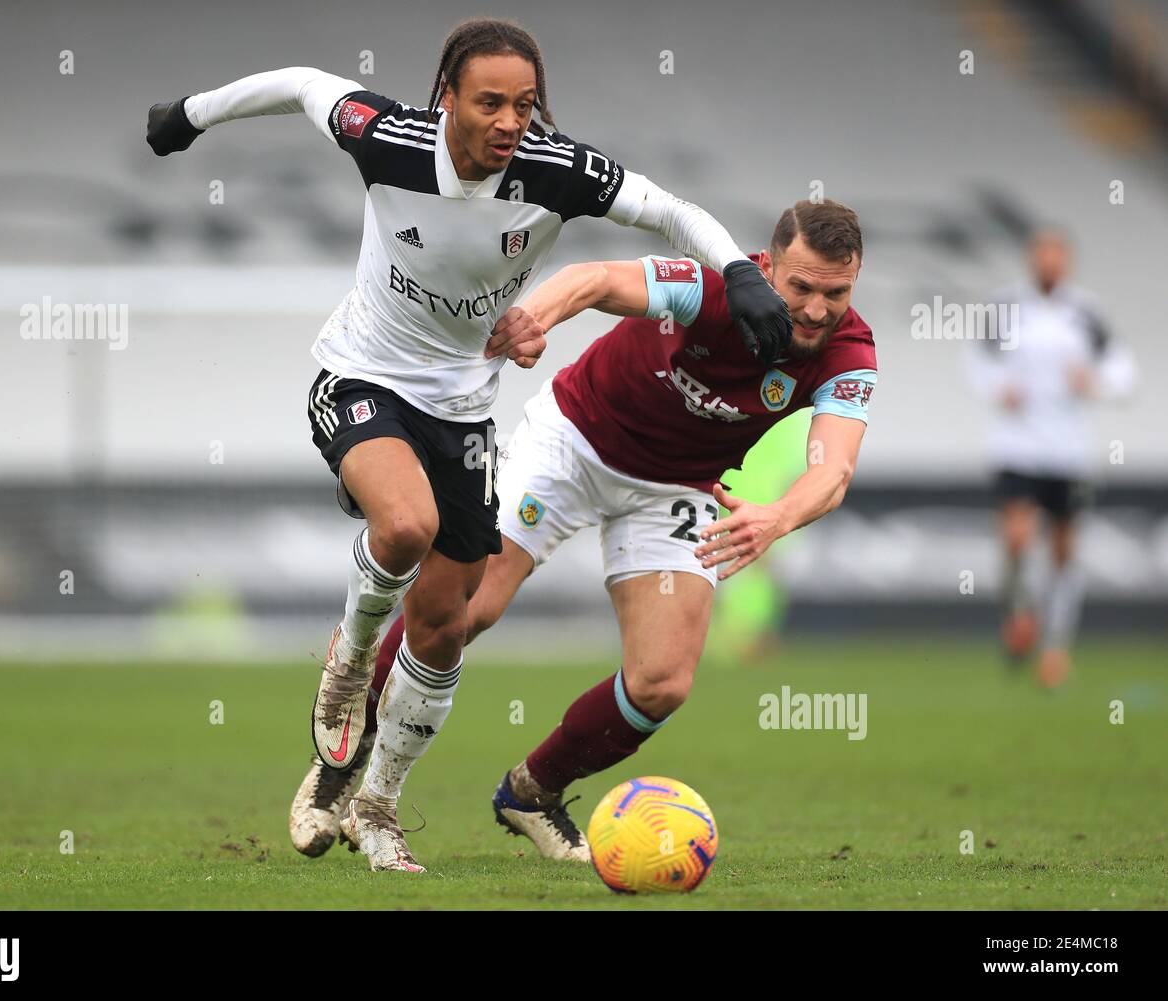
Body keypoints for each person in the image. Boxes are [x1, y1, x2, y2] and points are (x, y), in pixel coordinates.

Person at [146, 17, 792, 872]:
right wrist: (190, 114)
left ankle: (375, 804)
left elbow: (667, 210)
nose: (511, 120)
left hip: (461, 415)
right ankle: (346, 663)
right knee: (405, 527)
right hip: (361, 378)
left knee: (447, 626)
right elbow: (303, 81)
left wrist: (739, 272)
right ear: (446, 97)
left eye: (525, 104)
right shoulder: (388, 138)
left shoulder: (556, 169)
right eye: (490, 102)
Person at [294, 198, 877, 862]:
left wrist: (776, 517)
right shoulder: (714, 287)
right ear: (767, 268)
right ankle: (345, 755)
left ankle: (531, 792)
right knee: (468, 604)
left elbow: (833, 468)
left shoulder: (850, 350)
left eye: (837, 292)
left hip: (674, 487)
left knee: (662, 681)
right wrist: (531, 320)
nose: (817, 309)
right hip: (573, 439)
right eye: (802, 287)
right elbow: (597, 278)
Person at [969, 228, 1136, 687]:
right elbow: (977, 364)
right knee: (1018, 539)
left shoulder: (1086, 313)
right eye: (1042, 253)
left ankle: (1056, 647)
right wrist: (997, 388)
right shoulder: (1006, 308)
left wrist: (1096, 382)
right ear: (1031, 259)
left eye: (1057, 254)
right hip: (1017, 445)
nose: (1049, 262)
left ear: (1067, 261)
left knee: (1063, 550)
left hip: (1069, 451)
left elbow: (1124, 370)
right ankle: (1018, 615)